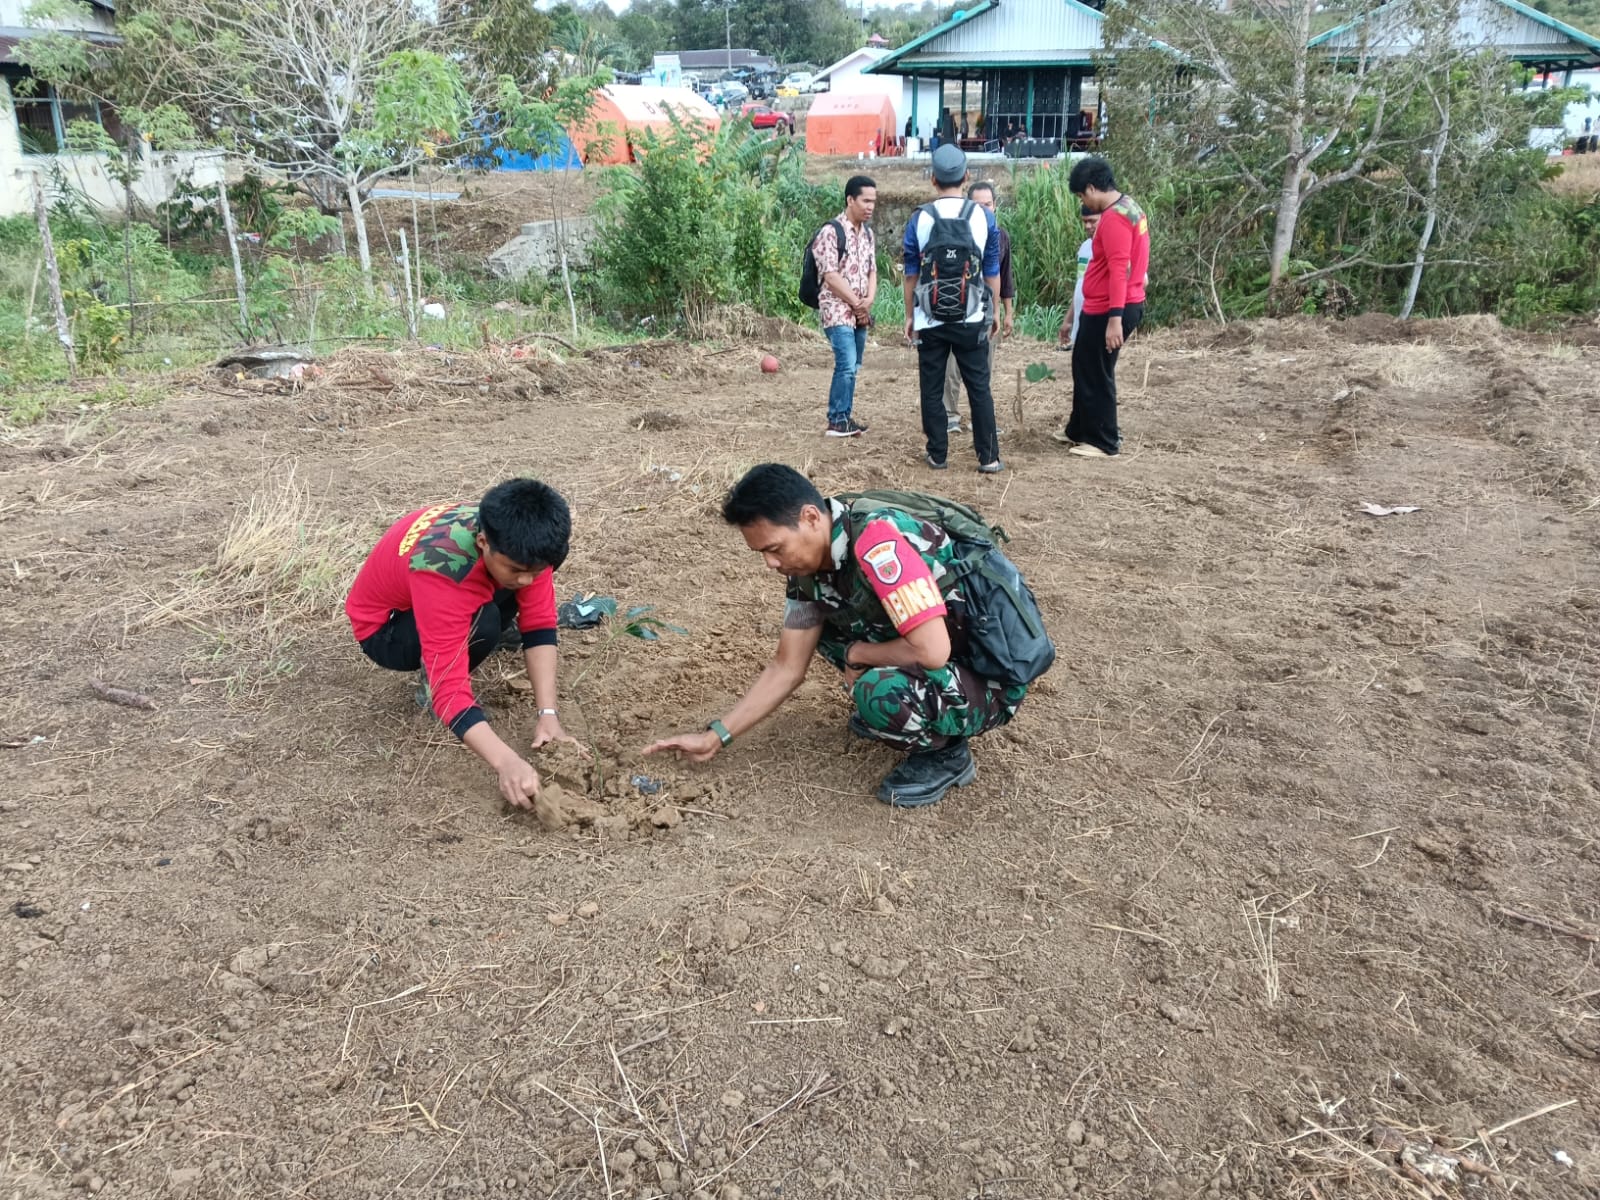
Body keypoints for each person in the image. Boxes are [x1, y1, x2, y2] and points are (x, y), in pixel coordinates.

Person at [643, 465, 1028, 807]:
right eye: (761, 553)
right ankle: (912, 706)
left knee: (878, 689)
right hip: (948, 658)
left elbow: (932, 651)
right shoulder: (808, 570)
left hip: (989, 677)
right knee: (827, 635)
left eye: (775, 549)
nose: (770, 563)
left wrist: (860, 654)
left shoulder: (877, 542)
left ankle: (946, 755)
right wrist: (715, 737)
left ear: (811, 517)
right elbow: (787, 666)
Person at [345, 479, 579, 808]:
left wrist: (549, 715)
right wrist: (506, 762)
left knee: (505, 595)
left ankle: (484, 622)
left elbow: (538, 622)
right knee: (484, 624)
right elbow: (449, 689)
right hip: (386, 630)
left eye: (536, 571)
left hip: (444, 591)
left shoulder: (521, 541)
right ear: (483, 542)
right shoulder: (443, 572)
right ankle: (432, 670)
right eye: (517, 569)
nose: (528, 579)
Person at [903, 143, 1003, 473]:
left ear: (933, 179)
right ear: (966, 177)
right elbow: (992, 270)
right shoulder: (984, 217)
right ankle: (989, 457)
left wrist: (910, 315)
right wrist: (994, 311)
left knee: (931, 389)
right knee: (979, 387)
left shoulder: (919, 218)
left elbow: (911, 273)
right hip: (971, 316)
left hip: (929, 317)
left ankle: (938, 454)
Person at [1052, 156, 1148, 458]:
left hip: (1111, 307)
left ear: (1092, 188)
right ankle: (1079, 429)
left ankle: (1104, 440)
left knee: (1097, 372)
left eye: (1082, 196)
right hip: (1103, 305)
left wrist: (1114, 319)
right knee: (1084, 365)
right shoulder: (1129, 207)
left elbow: (1120, 269)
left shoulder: (1115, 218)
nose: (1084, 202)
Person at [943, 179, 1015, 434]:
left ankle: (980, 418)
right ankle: (949, 416)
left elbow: (1004, 276)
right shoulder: (954, 233)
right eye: (978, 205)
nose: (984, 209)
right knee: (952, 365)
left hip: (987, 309)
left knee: (984, 367)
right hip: (957, 307)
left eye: (988, 204)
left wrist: (1006, 312)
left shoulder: (1001, 236)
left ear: (995, 205)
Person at [814, 175, 878, 438]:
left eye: (873, 201)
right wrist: (857, 303)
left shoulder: (868, 234)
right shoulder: (831, 232)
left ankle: (844, 416)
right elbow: (830, 276)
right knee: (847, 364)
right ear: (850, 200)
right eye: (865, 201)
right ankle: (837, 420)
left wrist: (869, 300)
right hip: (837, 309)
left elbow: (872, 270)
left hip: (860, 311)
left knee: (855, 365)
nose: (870, 206)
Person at [1061, 206, 1100, 349]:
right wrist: (1068, 320)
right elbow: (1080, 286)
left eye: (1092, 221)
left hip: (1098, 321)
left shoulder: (1111, 247)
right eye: (1085, 222)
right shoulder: (1085, 247)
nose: (1088, 226)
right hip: (1080, 324)